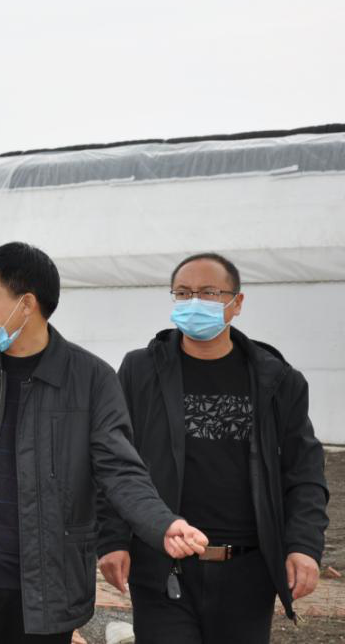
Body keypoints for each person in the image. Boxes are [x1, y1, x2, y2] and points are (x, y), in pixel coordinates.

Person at [0, 242, 211, 644]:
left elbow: (119, 470)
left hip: (46, 592)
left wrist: (162, 522)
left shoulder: (91, 379)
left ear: (26, 304)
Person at [97, 253, 329, 643]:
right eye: (183, 293)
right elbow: (115, 461)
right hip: (163, 562)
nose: (194, 302)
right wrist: (113, 540)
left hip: (248, 569)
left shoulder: (277, 380)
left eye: (208, 293)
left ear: (237, 303)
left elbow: (304, 472)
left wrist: (303, 546)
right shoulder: (140, 370)